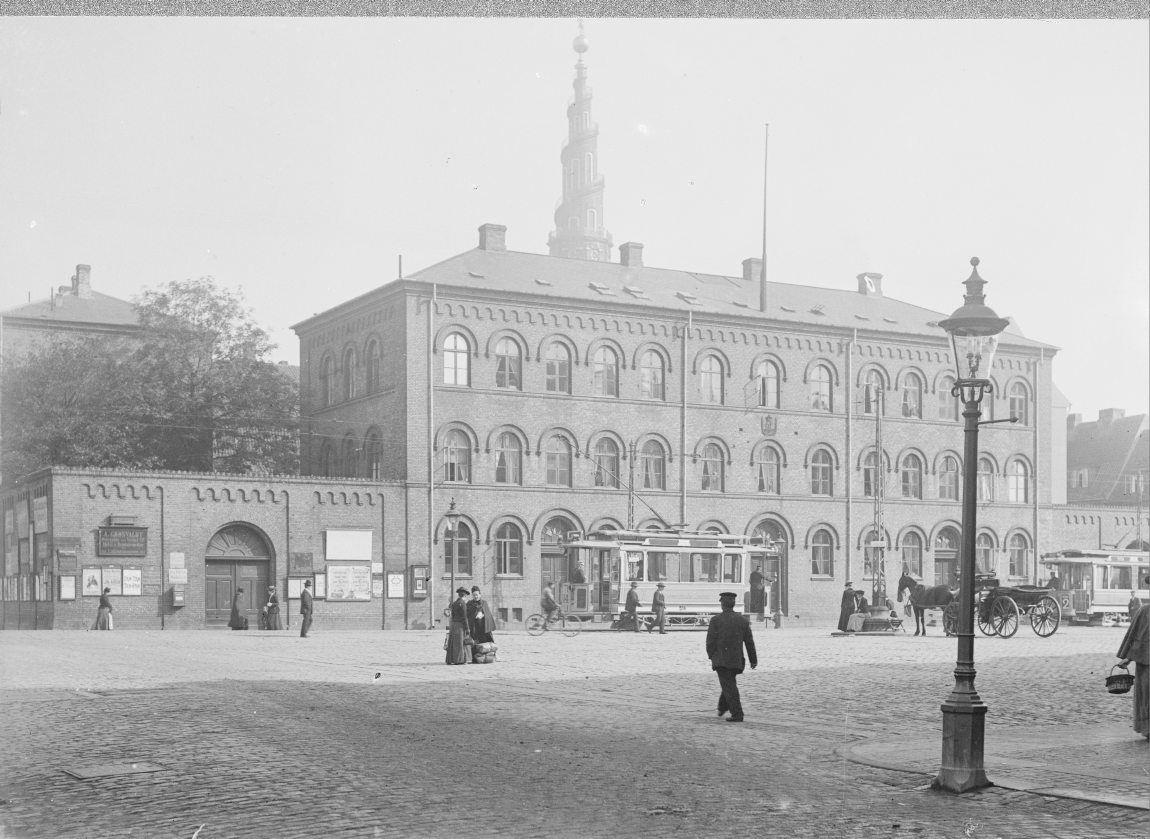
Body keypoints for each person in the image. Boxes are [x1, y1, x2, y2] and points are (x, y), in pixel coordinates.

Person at [706, 591, 757, 722]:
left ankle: (737, 714)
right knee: (729, 683)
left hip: (721, 660)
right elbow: (749, 642)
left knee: (729, 687)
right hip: (736, 661)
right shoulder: (743, 621)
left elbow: (710, 641)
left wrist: (712, 656)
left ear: (722, 605)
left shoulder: (716, 620)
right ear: (733, 604)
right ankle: (722, 707)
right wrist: (753, 660)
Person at [1115, 602, 1149, 740]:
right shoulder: (1144, 610)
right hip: (1146, 660)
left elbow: (1136, 635)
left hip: (1146, 661)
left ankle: (1148, 728)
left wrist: (1128, 657)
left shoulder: (1144, 611)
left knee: (1146, 695)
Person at [446, 586, 471, 665]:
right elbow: (464, 617)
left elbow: (452, 615)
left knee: (452, 642)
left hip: (454, 625)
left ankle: (451, 659)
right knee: (460, 643)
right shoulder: (463, 604)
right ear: (465, 596)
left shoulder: (454, 603)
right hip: (460, 626)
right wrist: (467, 629)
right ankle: (459, 660)